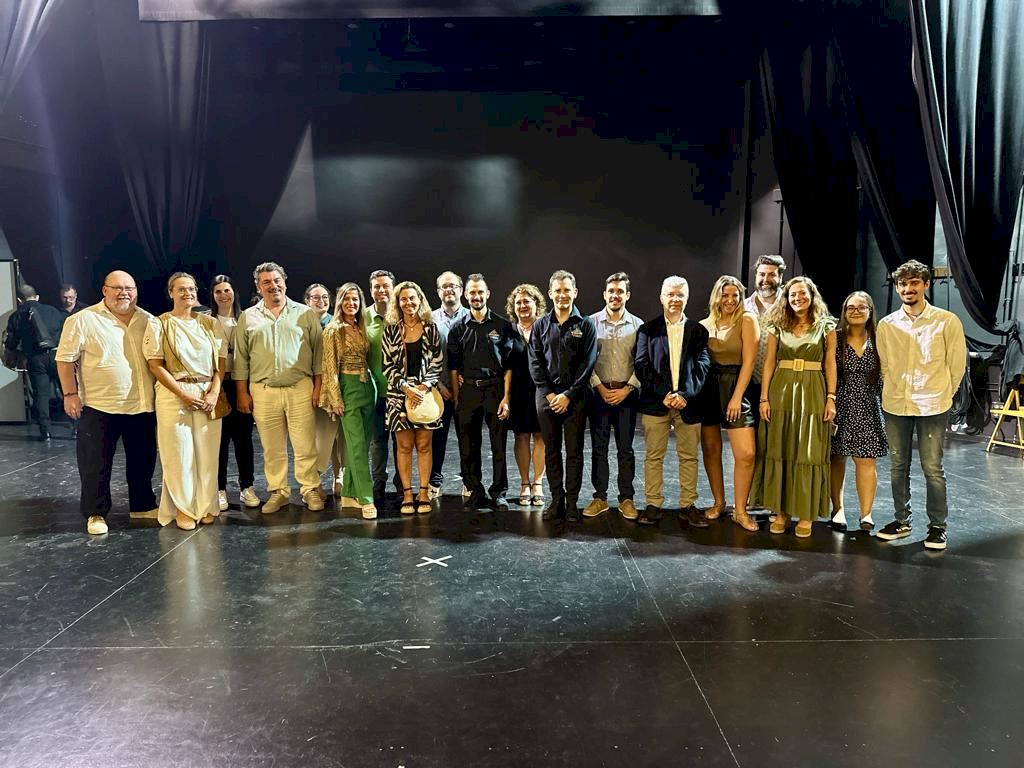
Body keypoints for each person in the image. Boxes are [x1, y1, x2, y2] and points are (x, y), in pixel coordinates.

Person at [55, 270, 158, 535]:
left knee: (143, 460)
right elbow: (65, 359)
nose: (124, 293)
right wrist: (70, 394)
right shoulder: (82, 320)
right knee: (95, 465)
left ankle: (143, 505)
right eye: (118, 288)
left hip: (142, 404)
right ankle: (96, 513)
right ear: (104, 290)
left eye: (129, 288)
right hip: (99, 406)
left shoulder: (149, 320)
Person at [875, 260, 966, 551]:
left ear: (926, 284)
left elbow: (957, 366)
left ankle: (937, 527)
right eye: (903, 284)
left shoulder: (946, 321)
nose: (908, 289)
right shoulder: (887, 325)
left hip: (932, 404)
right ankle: (901, 520)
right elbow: (884, 365)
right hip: (896, 403)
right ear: (897, 287)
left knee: (932, 468)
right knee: (897, 466)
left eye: (914, 282)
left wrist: (942, 394)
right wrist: (893, 389)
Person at [234, 262, 325, 514]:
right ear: (258, 287)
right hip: (263, 391)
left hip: (301, 388)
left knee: (305, 446)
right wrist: (242, 392)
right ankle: (278, 492)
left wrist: (318, 388)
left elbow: (319, 355)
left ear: (284, 282)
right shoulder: (247, 317)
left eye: (276, 280)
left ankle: (310, 489)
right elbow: (240, 359)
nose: (273, 285)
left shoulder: (305, 314)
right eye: (266, 282)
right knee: (272, 448)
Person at [756, 276, 837, 538]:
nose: (797, 298)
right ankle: (781, 512)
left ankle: (805, 513)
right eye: (792, 294)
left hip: (813, 389)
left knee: (808, 451)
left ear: (812, 296)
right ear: (786, 298)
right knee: (781, 447)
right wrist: (764, 398)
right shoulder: (777, 325)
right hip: (781, 388)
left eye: (802, 294)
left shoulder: (826, 325)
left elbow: (830, 363)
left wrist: (831, 397)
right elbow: (769, 362)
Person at [144, 272, 226, 530]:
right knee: (179, 454)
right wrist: (182, 394)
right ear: (171, 293)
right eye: (181, 289)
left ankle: (205, 506)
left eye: (191, 288)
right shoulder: (159, 323)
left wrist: (214, 392)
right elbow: (155, 365)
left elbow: (221, 363)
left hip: (207, 393)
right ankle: (183, 508)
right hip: (174, 394)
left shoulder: (210, 323)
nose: (187, 293)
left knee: (207, 454)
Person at [634, 276, 711, 529]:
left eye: (680, 295)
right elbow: (642, 365)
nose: (675, 299)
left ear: (687, 298)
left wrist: (685, 395)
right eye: (670, 294)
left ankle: (688, 505)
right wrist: (664, 394)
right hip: (656, 403)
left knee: (689, 457)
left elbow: (703, 366)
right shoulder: (647, 330)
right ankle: (653, 504)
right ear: (661, 297)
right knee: (653, 456)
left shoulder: (698, 331)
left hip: (688, 404)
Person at [528, 270, 597, 523]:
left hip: (575, 398)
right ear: (550, 293)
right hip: (546, 398)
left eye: (567, 290)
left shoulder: (585, 325)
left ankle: (572, 503)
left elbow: (588, 364)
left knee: (574, 451)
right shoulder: (540, 325)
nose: (562, 295)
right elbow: (535, 362)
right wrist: (549, 394)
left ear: (575, 292)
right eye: (557, 290)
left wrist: (568, 395)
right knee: (552, 450)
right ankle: (556, 500)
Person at [696, 275, 760, 531]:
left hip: (737, 385)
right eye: (725, 295)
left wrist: (736, 397)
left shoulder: (747, 319)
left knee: (746, 453)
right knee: (711, 449)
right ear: (717, 297)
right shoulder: (704, 325)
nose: (731, 300)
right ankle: (718, 502)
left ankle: (740, 511)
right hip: (709, 387)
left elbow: (750, 362)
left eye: (735, 295)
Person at [448, 273, 514, 511]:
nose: (476, 296)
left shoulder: (502, 326)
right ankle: (475, 490)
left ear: (487, 294)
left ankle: (499, 492)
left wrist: (506, 398)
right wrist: (457, 397)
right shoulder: (457, 328)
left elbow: (509, 365)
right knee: (468, 445)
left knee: (498, 445)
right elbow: (453, 367)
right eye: (472, 293)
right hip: (468, 391)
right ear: (466, 296)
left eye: (480, 292)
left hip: (495, 389)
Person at [382, 281, 444, 515]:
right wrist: (406, 387)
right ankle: (407, 493)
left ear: (420, 300)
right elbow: (387, 365)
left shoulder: (430, 327)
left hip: (425, 393)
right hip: (398, 395)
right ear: (398, 303)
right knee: (404, 446)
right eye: (403, 299)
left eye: (412, 298)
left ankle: (424, 492)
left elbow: (437, 361)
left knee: (424, 445)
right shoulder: (391, 329)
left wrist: (424, 386)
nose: (408, 303)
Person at [584, 272, 642, 521]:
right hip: (598, 394)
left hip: (626, 395)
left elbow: (642, 362)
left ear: (627, 295)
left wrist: (626, 389)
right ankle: (600, 497)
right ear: (604, 294)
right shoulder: (590, 323)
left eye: (620, 291)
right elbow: (585, 362)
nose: (615, 295)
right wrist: (599, 387)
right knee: (599, 448)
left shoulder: (638, 325)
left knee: (625, 449)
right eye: (611, 291)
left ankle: (626, 498)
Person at [829, 291, 888, 533]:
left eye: (861, 307)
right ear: (844, 311)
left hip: (868, 405)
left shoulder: (879, 338)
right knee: (837, 458)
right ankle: (838, 509)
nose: (855, 311)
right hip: (839, 403)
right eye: (850, 307)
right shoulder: (834, 337)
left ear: (870, 311)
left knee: (866, 460)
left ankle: (866, 514)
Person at [320, 283, 378, 520]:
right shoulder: (333, 330)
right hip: (348, 387)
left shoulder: (361, 327)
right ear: (340, 302)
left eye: (355, 299)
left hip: (368, 388)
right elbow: (329, 366)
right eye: (346, 299)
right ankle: (366, 498)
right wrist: (335, 397)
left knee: (363, 445)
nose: (351, 303)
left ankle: (349, 493)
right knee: (355, 446)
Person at [209, 275, 260, 512]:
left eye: (227, 290)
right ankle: (219, 489)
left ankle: (247, 486)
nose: (223, 295)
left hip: (242, 385)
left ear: (234, 293)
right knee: (219, 442)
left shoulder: (245, 319)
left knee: (244, 440)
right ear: (212, 295)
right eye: (218, 291)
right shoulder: (206, 320)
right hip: (218, 386)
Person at [3, 284, 65, 439]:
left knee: (41, 395)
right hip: (58, 355)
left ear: (19, 300)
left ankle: (46, 431)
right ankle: (76, 428)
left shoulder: (17, 316)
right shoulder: (52, 311)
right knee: (67, 391)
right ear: (37, 297)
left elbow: (11, 343)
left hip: (35, 358)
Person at [506, 284, 547, 507]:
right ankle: (524, 483)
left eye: (527, 301)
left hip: (542, 391)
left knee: (540, 437)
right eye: (518, 302)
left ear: (536, 304)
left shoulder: (546, 327)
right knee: (521, 436)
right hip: (517, 392)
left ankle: (538, 483)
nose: (522, 305)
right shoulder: (509, 331)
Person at [428, 270, 468, 498]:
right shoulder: (430, 319)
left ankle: (469, 481)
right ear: (438, 291)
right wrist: (439, 385)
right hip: (438, 390)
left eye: (453, 285)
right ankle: (434, 481)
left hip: (467, 391)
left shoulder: (472, 317)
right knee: (437, 439)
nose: (449, 290)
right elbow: (425, 357)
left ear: (461, 290)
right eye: (444, 286)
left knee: (467, 438)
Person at [305, 282, 345, 498]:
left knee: (340, 436)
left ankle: (339, 476)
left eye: (325, 297)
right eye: (316, 297)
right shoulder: (302, 323)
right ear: (307, 301)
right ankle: (314, 480)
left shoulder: (336, 323)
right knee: (321, 437)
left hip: (337, 385)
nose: (321, 301)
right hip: (311, 387)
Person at [366, 269, 400, 502]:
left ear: (393, 288)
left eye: (385, 286)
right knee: (378, 442)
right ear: (370, 291)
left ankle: (402, 484)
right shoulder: (363, 317)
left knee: (401, 442)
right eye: (376, 286)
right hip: (374, 392)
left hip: (399, 392)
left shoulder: (402, 315)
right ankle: (378, 483)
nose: (381, 290)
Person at [744, 254, 786, 384]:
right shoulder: (743, 307)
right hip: (746, 381)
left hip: (779, 381)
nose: (765, 279)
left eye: (771, 275)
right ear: (756, 276)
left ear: (780, 277)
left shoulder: (790, 307)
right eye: (762, 274)